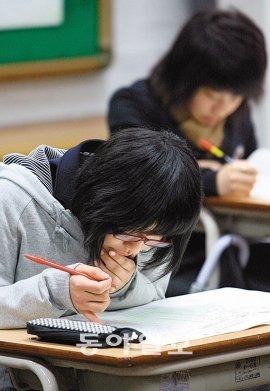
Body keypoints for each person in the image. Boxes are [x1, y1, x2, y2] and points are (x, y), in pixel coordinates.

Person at [0, 128, 202, 390]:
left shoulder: (157, 225)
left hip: (103, 371)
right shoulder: (12, 197)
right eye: (131, 234)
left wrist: (126, 286)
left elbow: (154, 299)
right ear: (107, 203)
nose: (137, 249)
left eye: (154, 239)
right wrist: (57, 291)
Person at [107, 8, 268, 296]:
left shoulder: (237, 116)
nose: (222, 109)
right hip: (161, 259)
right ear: (183, 78)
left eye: (234, 97)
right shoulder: (133, 105)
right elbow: (142, 178)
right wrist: (211, 180)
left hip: (231, 248)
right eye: (211, 95)